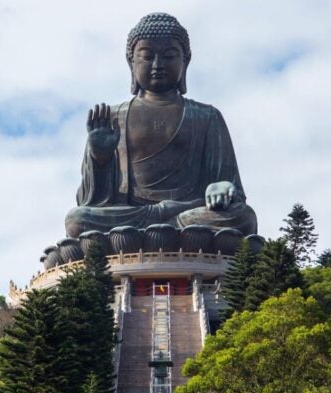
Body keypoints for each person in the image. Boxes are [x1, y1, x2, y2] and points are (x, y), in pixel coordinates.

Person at [65, 12, 257, 238]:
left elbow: (230, 187)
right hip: (133, 216)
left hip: (188, 212)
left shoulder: (207, 116)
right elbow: (92, 201)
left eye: (169, 56)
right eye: (147, 56)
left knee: (243, 217)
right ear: (132, 62)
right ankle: (165, 234)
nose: (158, 65)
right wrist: (100, 159)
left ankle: (160, 233)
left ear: (185, 61)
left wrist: (223, 188)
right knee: (77, 220)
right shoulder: (112, 117)